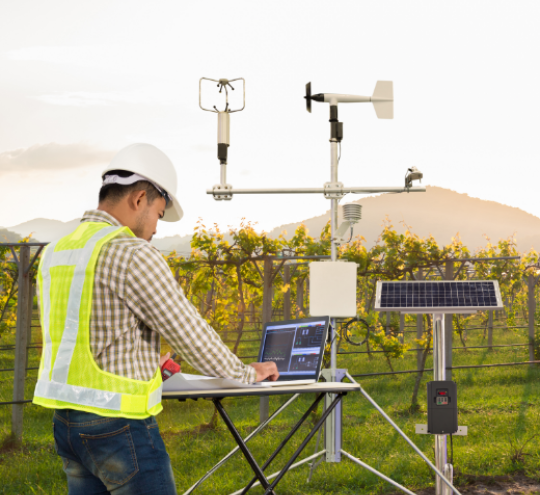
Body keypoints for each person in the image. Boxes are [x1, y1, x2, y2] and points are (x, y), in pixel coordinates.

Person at [32, 143, 279, 494]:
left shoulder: (57, 251)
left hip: (67, 426)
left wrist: (144, 359)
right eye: (159, 215)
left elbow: (81, 331)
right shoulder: (131, 252)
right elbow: (190, 333)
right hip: (119, 426)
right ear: (139, 199)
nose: (156, 229)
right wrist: (245, 373)